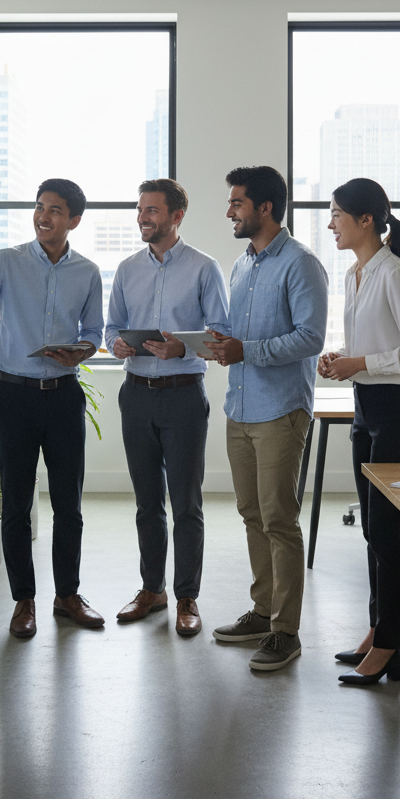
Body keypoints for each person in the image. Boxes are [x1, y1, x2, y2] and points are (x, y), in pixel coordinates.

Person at [0, 179, 105, 639]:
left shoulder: (87, 272)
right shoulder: (7, 262)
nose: (42, 216)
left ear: (73, 220)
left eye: (54, 210)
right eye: (38, 207)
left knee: (68, 505)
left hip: (65, 396)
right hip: (14, 397)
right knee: (15, 503)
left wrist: (82, 351)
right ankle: (23, 601)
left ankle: (67, 596)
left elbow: (95, 331)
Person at [205, 166, 328, 672]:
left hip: (281, 410)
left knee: (280, 519)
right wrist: (218, 342)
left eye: (237, 203)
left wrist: (245, 349)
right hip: (241, 407)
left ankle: (286, 631)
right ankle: (262, 611)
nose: (230, 211)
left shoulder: (301, 264)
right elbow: (239, 335)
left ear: (265, 208)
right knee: (252, 513)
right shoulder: (242, 265)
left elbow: (310, 338)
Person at [317, 177, 400, 685]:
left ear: (366, 220)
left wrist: (360, 361)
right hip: (366, 405)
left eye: (338, 214)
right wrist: (342, 359)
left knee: (388, 532)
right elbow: (373, 343)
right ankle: (377, 628)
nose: (331, 223)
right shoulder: (355, 274)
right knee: (370, 529)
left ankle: (390, 645)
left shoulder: (394, 274)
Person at [105, 179, 230, 636]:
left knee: (186, 503)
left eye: (152, 211)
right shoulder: (125, 269)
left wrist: (182, 349)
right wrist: (116, 343)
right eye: (140, 210)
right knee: (146, 502)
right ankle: (152, 589)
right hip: (135, 393)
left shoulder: (204, 268)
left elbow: (219, 334)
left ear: (176, 217)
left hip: (182, 394)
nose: (143, 217)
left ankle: (186, 597)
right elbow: (112, 325)